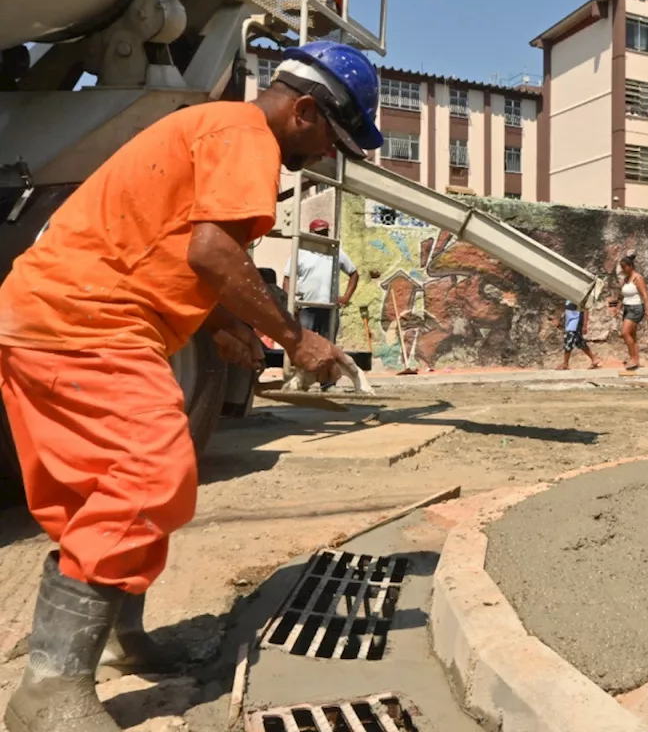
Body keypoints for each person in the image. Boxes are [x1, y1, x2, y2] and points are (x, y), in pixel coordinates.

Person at [0, 40, 383, 732]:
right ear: (303, 110)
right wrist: (298, 339)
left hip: (46, 312)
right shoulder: (247, 139)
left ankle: (118, 642)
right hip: (85, 321)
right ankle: (49, 692)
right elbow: (212, 249)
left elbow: (167, 239)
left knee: (98, 492)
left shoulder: (214, 128)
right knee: (151, 475)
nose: (329, 155)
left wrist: (216, 327)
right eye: (334, 137)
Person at [283, 218, 360, 340]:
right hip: (306, 308)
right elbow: (287, 278)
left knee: (329, 347)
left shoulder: (336, 252)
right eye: (319, 233)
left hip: (329, 309)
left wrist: (346, 297)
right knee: (305, 344)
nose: (322, 236)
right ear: (311, 233)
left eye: (324, 233)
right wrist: (290, 301)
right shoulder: (301, 252)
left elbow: (354, 273)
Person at [617, 254, 648, 371]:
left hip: (636, 308)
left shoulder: (638, 278)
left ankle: (632, 359)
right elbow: (623, 295)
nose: (623, 269)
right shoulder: (626, 279)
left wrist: (647, 309)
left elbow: (645, 295)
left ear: (630, 266)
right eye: (621, 267)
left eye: (624, 267)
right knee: (632, 335)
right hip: (627, 308)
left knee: (624, 333)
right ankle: (636, 360)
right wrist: (619, 306)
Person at [557, 300, 601, 370]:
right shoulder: (567, 297)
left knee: (568, 340)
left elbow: (585, 309)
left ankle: (565, 363)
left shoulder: (578, 297)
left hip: (575, 322)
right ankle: (594, 359)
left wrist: (585, 324)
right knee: (579, 342)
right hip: (569, 322)